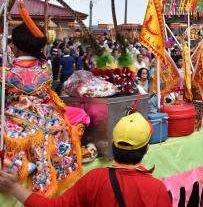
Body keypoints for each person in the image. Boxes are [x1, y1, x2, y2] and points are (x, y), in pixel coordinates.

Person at [0, 112, 172, 206]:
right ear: (147, 148)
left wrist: (15, 188)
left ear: (113, 143)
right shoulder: (156, 188)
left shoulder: (95, 179)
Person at [0, 22, 81, 196]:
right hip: (48, 116)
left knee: (7, 131)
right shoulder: (46, 67)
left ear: (15, 47)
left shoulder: (6, 72)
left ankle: (16, 162)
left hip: (18, 116)